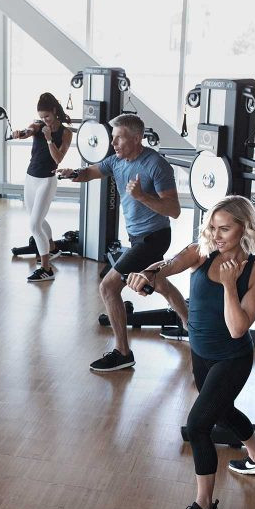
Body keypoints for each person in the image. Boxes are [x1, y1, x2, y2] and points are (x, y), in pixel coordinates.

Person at [126, 196, 255, 509]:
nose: (216, 235)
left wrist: (228, 285)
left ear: (245, 228)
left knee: (198, 426)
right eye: (212, 227)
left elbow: (237, 329)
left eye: (225, 229)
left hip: (232, 358)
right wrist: (148, 274)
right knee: (222, 411)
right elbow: (169, 265)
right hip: (201, 353)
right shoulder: (201, 251)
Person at [59, 113, 185, 372]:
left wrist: (142, 196)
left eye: (119, 138)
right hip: (138, 236)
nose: (113, 143)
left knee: (108, 287)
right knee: (159, 283)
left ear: (137, 139)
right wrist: (74, 173)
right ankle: (190, 326)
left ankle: (123, 352)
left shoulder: (156, 165)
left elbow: (174, 210)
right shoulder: (117, 160)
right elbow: (92, 171)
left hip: (154, 237)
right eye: (113, 137)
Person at [11, 93, 73, 282]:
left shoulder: (65, 132)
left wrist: (49, 139)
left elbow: (58, 158)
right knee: (35, 218)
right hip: (31, 178)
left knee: (34, 225)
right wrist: (21, 133)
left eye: (47, 116)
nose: (44, 119)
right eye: (41, 117)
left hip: (47, 181)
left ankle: (46, 269)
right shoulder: (38, 125)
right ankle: (51, 246)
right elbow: (28, 131)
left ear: (54, 111)